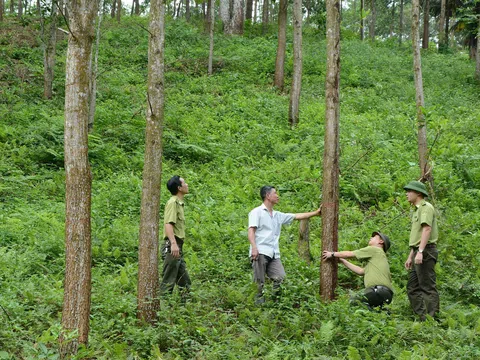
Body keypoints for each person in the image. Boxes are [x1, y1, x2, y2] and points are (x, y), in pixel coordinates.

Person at [248, 185, 321, 304]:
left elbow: (296, 216)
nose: (278, 196)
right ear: (267, 196)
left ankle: (273, 302)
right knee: (259, 281)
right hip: (260, 251)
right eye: (275, 193)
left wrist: (316, 213)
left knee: (280, 277)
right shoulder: (256, 212)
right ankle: (258, 308)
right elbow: (251, 231)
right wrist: (254, 248)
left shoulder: (277, 215)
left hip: (273, 253)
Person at [322, 231, 393, 309]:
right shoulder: (378, 258)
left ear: (381, 241)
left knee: (354, 302)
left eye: (374, 237)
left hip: (377, 291)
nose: (371, 238)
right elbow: (361, 271)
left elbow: (350, 254)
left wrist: (332, 254)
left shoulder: (375, 250)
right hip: (386, 294)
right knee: (373, 313)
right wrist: (343, 261)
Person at [404, 180, 439, 320]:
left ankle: (432, 320)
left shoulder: (426, 207)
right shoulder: (417, 210)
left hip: (425, 251)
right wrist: (411, 255)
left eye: (409, 191)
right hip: (418, 251)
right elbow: (417, 237)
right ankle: (423, 317)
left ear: (418, 193)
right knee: (412, 287)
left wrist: (420, 252)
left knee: (427, 287)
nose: (407, 194)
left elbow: (427, 229)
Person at [159, 175, 191, 297]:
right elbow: (168, 224)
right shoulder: (173, 203)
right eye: (184, 183)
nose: (187, 185)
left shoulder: (179, 203)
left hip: (177, 247)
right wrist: (173, 244)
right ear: (179, 188)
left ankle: (183, 311)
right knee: (168, 282)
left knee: (185, 282)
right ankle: (162, 310)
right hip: (172, 246)